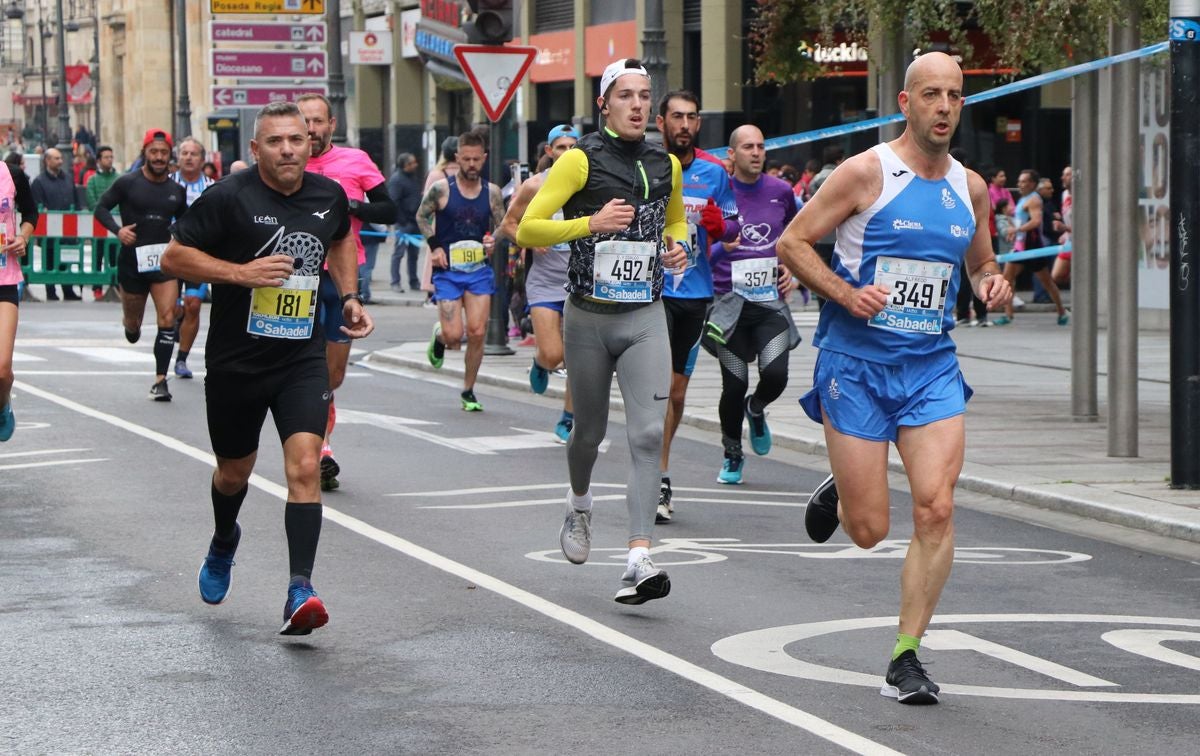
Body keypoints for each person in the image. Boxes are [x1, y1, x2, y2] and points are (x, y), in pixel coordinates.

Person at [776, 52, 1012, 704]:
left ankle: (906, 654)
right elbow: (793, 243)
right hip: (854, 365)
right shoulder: (866, 173)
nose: (944, 107)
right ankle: (848, 487)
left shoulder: (970, 187)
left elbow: (982, 261)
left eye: (955, 96)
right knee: (869, 530)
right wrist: (846, 294)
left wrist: (992, 283)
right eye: (931, 95)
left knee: (936, 506)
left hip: (930, 364)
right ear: (906, 103)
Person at [161, 100, 373, 636]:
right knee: (234, 473)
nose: (287, 150)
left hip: (300, 356)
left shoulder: (328, 196)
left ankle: (300, 588)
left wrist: (349, 296)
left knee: (304, 468)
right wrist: (241, 273)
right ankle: (224, 538)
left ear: (311, 144)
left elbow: (343, 236)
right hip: (237, 360)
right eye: (275, 142)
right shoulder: (227, 198)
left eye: (296, 140)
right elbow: (174, 257)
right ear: (255, 150)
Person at [516, 58, 689, 605]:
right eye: (626, 96)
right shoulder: (579, 162)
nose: (638, 105)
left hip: (645, 315)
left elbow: (675, 218)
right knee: (587, 434)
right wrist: (589, 224)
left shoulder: (667, 164)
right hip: (588, 317)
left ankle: (639, 556)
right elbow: (528, 227)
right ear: (604, 105)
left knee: (644, 434)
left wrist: (680, 245)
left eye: (644, 96)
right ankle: (580, 502)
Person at [296, 93, 394, 491]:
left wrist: (353, 207)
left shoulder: (355, 161)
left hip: (342, 278)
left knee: (332, 374)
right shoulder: (286, 162)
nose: (312, 130)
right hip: (297, 278)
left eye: (319, 122)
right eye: (305, 122)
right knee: (308, 369)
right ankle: (320, 450)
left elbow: (389, 211)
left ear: (332, 124)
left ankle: (318, 441)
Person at [654, 89, 740, 522]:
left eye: (691, 118)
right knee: (655, 388)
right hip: (651, 292)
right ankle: (658, 476)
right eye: (677, 117)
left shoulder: (714, 172)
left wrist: (718, 224)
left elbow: (733, 230)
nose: (684, 125)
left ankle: (657, 466)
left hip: (695, 293)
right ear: (661, 123)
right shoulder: (648, 166)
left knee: (676, 392)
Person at [706, 125, 800, 484]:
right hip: (727, 305)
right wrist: (720, 249)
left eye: (761, 146)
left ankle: (756, 409)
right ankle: (732, 451)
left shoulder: (781, 191)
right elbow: (698, 251)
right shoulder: (718, 193)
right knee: (734, 383)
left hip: (768, 304)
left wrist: (790, 266)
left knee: (775, 375)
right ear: (732, 155)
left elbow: (797, 234)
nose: (756, 153)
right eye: (748, 147)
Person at [498, 124, 579, 442]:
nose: (567, 153)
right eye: (561, 147)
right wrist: (529, 241)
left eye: (574, 147)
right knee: (553, 353)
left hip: (579, 282)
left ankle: (568, 417)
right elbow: (508, 224)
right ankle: (540, 362)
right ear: (549, 151)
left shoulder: (587, 184)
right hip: (545, 282)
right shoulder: (534, 186)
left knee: (576, 357)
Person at [94, 129, 188, 400]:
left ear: (170, 155)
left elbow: (184, 223)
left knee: (167, 318)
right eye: (153, 152)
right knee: (133, 323)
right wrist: (118, 230)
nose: (158, 157)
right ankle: (131, 325)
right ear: (145, 152)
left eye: (163, 153)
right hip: (132, 262)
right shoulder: (127, 183)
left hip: (163, 263)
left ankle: (161, 380)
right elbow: (101, 208)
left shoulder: (177, 191)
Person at [418, 130, 504, 412]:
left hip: (479, 270)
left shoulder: (491, 192)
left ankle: (468, 389)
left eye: (476, 159)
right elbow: (421, 215)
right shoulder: (442, 189)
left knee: (477, 332)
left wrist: (494, 240)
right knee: (455, 336)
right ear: (457, 158)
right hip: (448, 271)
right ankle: (440, 336)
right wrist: (435, 246)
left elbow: (502, 224)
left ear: (484, 159)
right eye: (466, 159)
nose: (471, 164)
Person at [992, 169, 1068, 326]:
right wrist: (1013, 229)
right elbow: (1022, 221)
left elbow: (1036, 221)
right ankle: (1008, 315)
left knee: (1047, 282)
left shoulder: (1034, 200)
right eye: (1019, 181)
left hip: (1033, 248)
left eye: (1023, 181)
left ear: (1032, 184)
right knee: (1007, 279)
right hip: (1020, 248)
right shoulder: (1022, 199)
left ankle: (1061, 311)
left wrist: (1016, 230)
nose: (1019, 184)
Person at [0, 147, 40, 442]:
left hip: (4, 278)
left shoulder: (11, 174)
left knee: (2, 371)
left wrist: (23, 237)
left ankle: (2, 405)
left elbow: (31, 212)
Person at [170, 136, 216, 380]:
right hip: (170, 255)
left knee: (193, 305)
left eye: (193, 154)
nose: (188, 157)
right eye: (184, 153)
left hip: (197, 255)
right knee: (172, 309)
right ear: (178, 158)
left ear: (202, 159)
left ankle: (182, 359)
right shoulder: (167, 183)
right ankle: (175, 327)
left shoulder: (212, 187)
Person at [30, 147, 82, 300]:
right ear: (47, 160)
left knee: (67, 259)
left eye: (60, 158)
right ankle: (51, 291)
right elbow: (38, 204)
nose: (60, 161)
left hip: (68, 229)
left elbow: (75, 201)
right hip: (50, 231)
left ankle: (68, 289)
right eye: (56, 158)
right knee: (50, 261)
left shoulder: (67, 178)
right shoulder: (39, 182)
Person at [386, 151, 422, 292]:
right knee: (399, 253)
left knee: (414, 254)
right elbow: (394, 202)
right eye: (412, 163)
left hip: (415, 222)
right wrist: (402, 221)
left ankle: (414, 281)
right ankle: (395, 282)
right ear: (405, 165)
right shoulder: (397, 180)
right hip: (404, 223)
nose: (415, 165)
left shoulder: (412, 177)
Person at [1052, 165, 1072, 286]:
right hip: (1069, 241)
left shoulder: (1083, 197)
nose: (1063, 177)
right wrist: (1065, 232)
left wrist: (1065, 228)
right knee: (1056, 275)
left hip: (1082, 243)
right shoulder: (1064, 194)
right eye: (1063, 174)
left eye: (1067, 174)